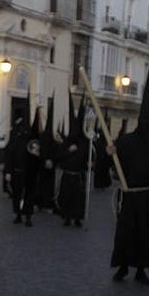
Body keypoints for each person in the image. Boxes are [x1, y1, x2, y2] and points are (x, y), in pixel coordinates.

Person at [110, 59, 149, 285]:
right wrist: (113, 154)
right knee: (127, 232)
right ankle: (124, 267)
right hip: (130, 195)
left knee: (146, 234)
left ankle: (141, 269)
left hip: (148, 197)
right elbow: (117, 168)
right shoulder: (127, 141)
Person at [56, 95, 89, 228]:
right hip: (68, 175)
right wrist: (69, 151)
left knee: (78, 199)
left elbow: (87, 158)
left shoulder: (84, 143)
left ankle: (77, 218)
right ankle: (67, 217)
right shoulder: (66, 143)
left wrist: (89, 164)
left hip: (78, 176)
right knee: (67, 197)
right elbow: (59, 157)